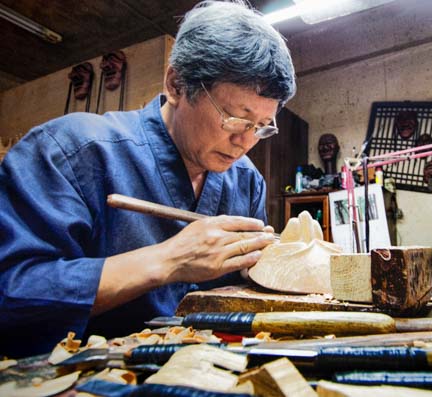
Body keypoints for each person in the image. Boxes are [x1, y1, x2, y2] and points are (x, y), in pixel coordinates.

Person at [0, 0, 296, 358]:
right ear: (176, 85)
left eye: (262, 127)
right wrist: (168, 260)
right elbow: (12, 291)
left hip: (207, 371)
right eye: (236, 119)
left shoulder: (246, 182)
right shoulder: (72, 151)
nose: (245, 142)